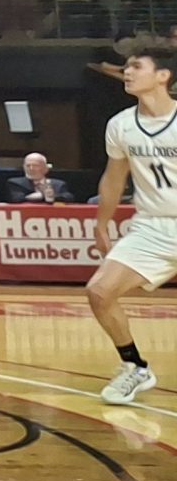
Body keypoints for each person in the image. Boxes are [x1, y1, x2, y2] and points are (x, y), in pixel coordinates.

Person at [89, 41, 177, 404]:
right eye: (126, 67)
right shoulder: (121, 125)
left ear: (162, 76)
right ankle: (136, 368)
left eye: (136, 66)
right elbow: (114, 179)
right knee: (99, 291)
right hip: (153, 226)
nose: (127, 71)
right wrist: (101, 223)